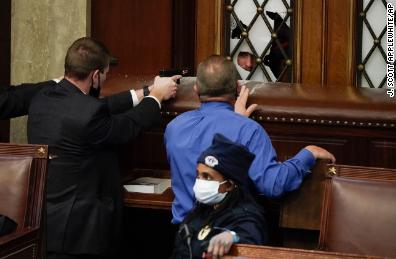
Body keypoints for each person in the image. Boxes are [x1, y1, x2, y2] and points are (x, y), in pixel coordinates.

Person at [27, 37, 179, 259]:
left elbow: (97, 107)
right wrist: (156, 97)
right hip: (80, 231)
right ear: (95, 75)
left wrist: (144, 92)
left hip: (47, 221)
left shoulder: (43, 98)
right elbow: (125, 127)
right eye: (106, 74)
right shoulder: (88, 112)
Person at [164, 55, 335, 224]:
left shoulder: (174, 127)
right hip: (228, 237)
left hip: (184, 237)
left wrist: (236, 121)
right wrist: (308, 154)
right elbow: (273, 185)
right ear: (238, 88)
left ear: (196, 89)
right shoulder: (247, 130)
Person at [172, 133, 267, 259]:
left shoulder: (246, 216)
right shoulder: (202, 210)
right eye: (198, 175)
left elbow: (248, 236)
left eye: (207, 177)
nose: (200, 182)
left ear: (229, 185)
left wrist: (232, 236)